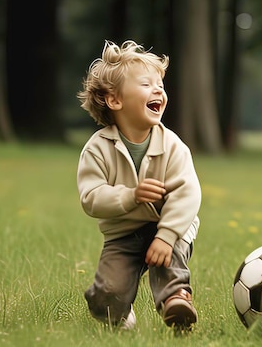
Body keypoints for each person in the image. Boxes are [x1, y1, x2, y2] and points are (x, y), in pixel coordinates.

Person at [76, 40, 202, 331]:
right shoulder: (97, 149)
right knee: (108, 294)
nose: (158, 90)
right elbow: (91, 197)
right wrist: (129, 196)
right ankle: (114, 310)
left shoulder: (173, 146)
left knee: (167, 261)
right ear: (114, 100)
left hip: (168, 223)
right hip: (123, 232)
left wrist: (167, 235)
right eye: (146, 84)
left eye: (160, 84)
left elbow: (188, 192)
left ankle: (176, 301)